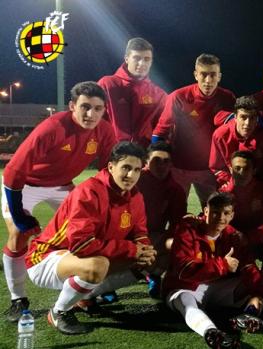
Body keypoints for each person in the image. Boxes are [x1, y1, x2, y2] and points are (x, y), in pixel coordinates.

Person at [1, 81, 115, 322]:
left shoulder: (105, 130)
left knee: (89, 231)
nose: (90, 114)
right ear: (72, 106)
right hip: (27, 184)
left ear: (104, 110)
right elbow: (12, 172)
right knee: (19, 234)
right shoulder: (52, 127)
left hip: (64, 186)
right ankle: (17, 298)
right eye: (85, 107)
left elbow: (108, 169)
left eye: (97, 108)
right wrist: (20, 216)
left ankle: (82, 292)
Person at [24, 142, 155, 335]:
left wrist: (144, 248)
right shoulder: (89, 192)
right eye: (125, 168)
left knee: (149, 261)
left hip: (82, 256)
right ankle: (59, 312)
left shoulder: (135, 196)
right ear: (111, 166)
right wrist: (131, 249)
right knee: (98, 265)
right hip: (45, 257)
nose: (131, 175)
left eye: (136, 170)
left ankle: (85, 296)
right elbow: (81, 244)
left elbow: (140, 232)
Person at [163, 192, 263, 349]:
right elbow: (184, 270)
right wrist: (223, 265)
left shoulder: (233, 236)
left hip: (217, 287)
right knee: (185, 300)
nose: (220, 218)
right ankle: (212, 332)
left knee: (262, 280)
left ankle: (247, 315)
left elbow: (248, 267)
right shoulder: (187, 230)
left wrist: (257, 294)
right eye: (215, 212)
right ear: (205, 211)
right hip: (186, 286)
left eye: (226, 213)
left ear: (232, 215)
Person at [152, 53, 236, 206]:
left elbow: (232, 133)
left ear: (219, 76)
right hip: (179, 167)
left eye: (213, 75)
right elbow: (160, 132)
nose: (208, 80)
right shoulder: (178, 96)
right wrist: (154, 159)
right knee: (174, 210)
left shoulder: (228, 98)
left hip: (209, 170)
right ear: (196, 75)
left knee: (212, 212)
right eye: (203, 74)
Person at [219, 151, 263, 299]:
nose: (241, 172)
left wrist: (250, 236)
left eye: (246, 168)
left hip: (257, 240)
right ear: (230, 168)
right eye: (237, 168)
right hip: (234, 242)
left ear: (254, 170)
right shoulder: (224, 193)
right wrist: (235, 235)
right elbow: (219, 224)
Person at [136, 141, 187, 297]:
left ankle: (155, 274)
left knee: (176, 244)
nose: (161, 165)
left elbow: (176, 223)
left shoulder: (175, 189)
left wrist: (169, 239)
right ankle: (105, 285)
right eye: (156, 160)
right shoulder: (135, 180)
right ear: (146, 162)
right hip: (124, 234)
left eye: (166, 161)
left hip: (153, 235)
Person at [98, 37, 167, 148]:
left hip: (143, 157)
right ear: (126, 58)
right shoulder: (107, 84)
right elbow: (97, 121)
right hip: (112, 154)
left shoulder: (159, 95)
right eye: (137, 58)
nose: (142, 63)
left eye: (146, 59)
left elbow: (162, 130)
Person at [208, 96, 263, 188]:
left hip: (257, 184)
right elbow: (216, 166)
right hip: (231, 182)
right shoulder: (220, 135)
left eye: (252, 118)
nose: (247, 123)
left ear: (257, 119)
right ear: (235, 117)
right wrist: (228, 182)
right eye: (243, 117)